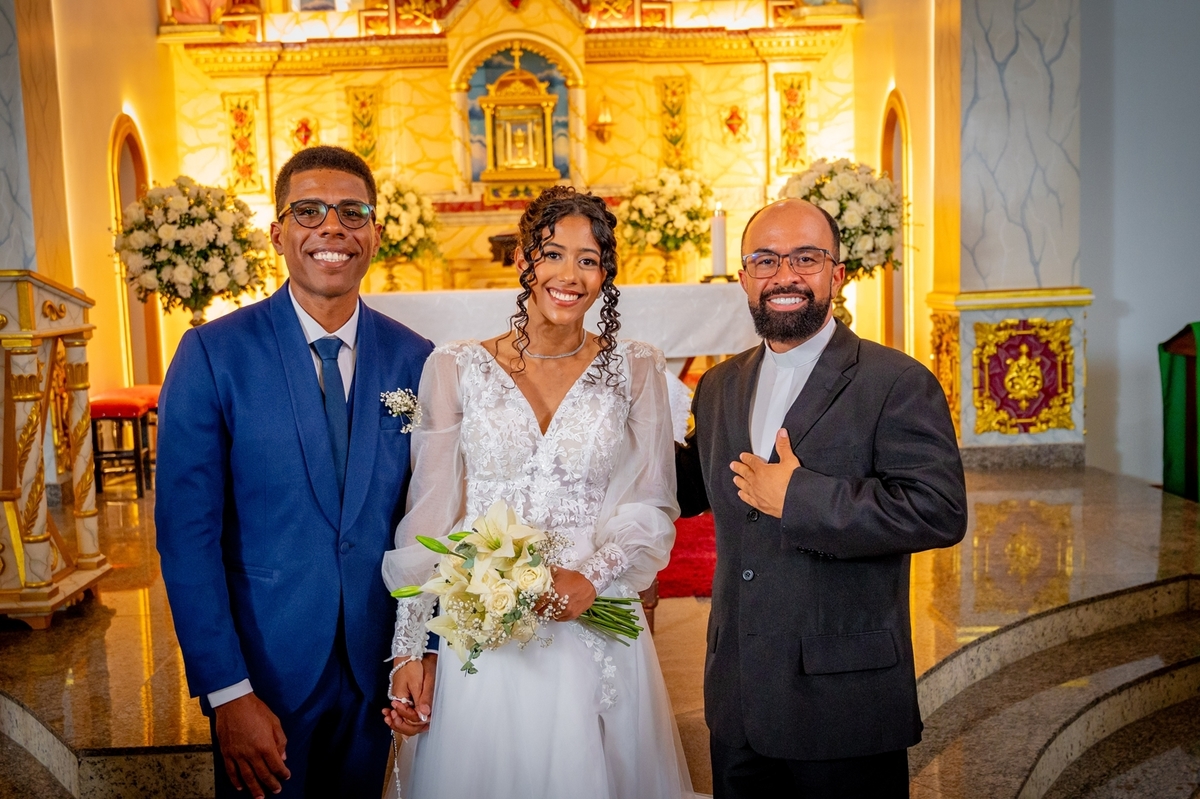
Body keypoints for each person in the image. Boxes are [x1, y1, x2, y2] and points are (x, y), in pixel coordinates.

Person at [380, 186, 694, 799]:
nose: (569, 275)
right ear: (523, 259)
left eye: (588, 259)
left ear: (606, 273)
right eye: (553, 254)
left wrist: (593, 577)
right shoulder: (455, 367)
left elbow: (652, 500)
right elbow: (431, 518)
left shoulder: (634, 368)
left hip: (596, 619)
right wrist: (408, 651)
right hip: (485, 628)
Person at [156, 145, 433, 798]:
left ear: (376, 233)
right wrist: (228, 691)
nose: (332, 227)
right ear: (278, 232)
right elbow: (186, 538)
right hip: (264, 676)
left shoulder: (415, 358)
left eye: (351, 211)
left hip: (376, 672)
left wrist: (419, 650)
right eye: (308, 210)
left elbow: (430, 520)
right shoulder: (212, 354)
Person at [675, 198, 967, 798]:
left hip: (842, 699)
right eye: (765, 260)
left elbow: (939, 510)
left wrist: (800, 497)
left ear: (837, 274)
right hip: (738, 696)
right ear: (744, 278)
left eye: (805, 258)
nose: (784, 276)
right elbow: (688, 488)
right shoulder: (720, 384)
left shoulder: (896, 382)